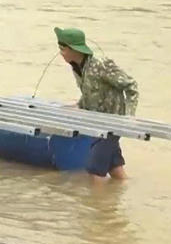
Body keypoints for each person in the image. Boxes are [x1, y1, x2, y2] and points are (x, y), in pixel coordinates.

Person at [54, 26, 139, 181]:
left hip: (112, 123)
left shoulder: (101, 65)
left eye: (63, 49)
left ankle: (98, 204)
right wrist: (80, 105)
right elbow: (91, 92)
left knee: (94, 170)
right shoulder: (77, 68)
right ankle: (121, 199)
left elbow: (131, 85)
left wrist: (130, 116)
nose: (60, 53)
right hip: (97, 122)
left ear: (74, 49)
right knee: (115, 170)